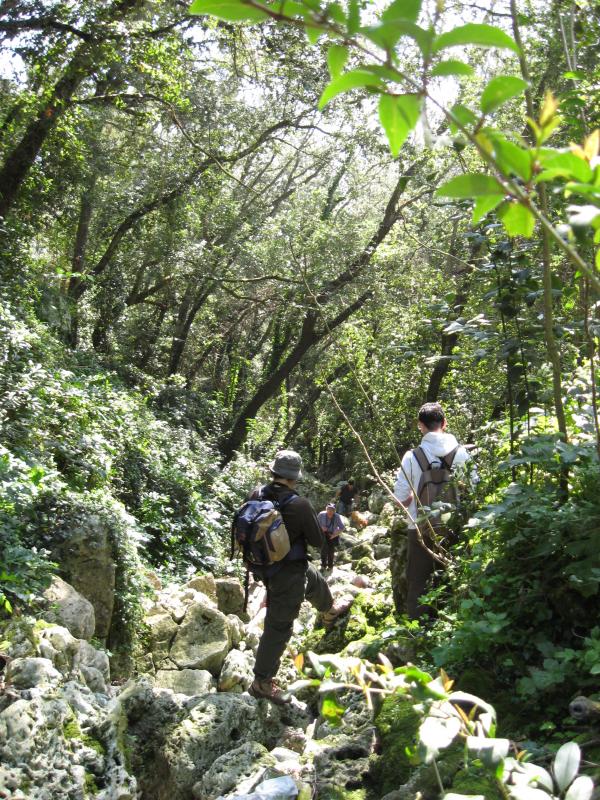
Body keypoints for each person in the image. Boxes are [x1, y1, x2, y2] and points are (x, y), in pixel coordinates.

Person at [249, 449, 351, 704]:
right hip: (287, 573)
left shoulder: (256, 493)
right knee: (279, 625)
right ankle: (261, 681)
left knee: (314, 576)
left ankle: (328, 609)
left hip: (262, 567)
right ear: (295, 478)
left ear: (273, 472)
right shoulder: (299, 504)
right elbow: (317, 541)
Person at [393, 403, 473, 620]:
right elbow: (473, 488)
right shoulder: (461, 454)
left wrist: (412, 500)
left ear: (421, 426)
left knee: (418, 581)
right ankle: (450, 628)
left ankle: (418, 633)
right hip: (454, 525)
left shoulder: (412, 456)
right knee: (451, 576)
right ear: (445, 423)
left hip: (420, 526)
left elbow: (400, 497)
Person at [317, 502, 345, 570]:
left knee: (331, 551)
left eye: (332, 510)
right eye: (329, 509)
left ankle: (330, 566)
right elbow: (316, 523)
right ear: (326, 509)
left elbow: (342, 527)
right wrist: (321, 527)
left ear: (334, 511)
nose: (330, 511)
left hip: (333, 535)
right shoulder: (321, 514)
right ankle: (323, 565)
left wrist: (335, 534)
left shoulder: (337, 516)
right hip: (323, 534)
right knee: (323, 550)